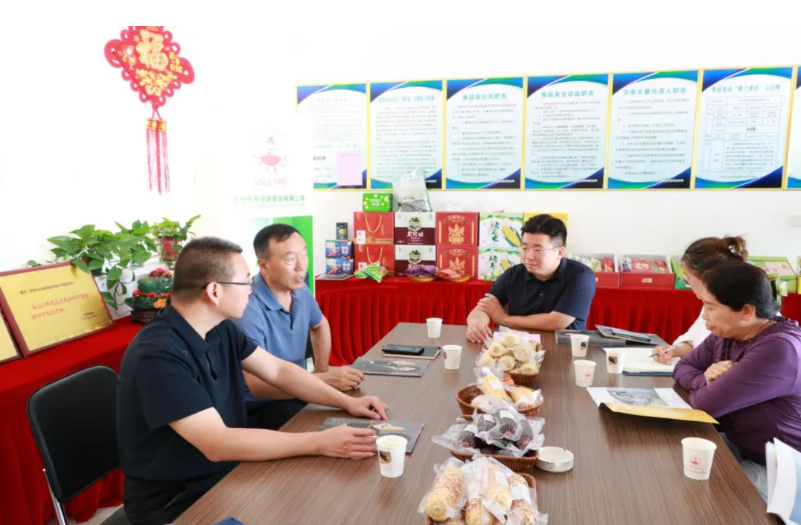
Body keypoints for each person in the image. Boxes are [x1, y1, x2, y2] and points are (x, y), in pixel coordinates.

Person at [117, 237, 388, 525]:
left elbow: (278, 371)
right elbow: (217, 443)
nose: (251, 289)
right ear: (214, 291)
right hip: (177, 501)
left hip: (225, 473)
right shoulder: (157, 355)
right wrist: (320, 442)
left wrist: (346, 402)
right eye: (246, 281)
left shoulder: (220, 328)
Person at [673, 262, 801, 500]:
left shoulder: (779, 349)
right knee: (675, 465)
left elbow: (705, 404)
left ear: (747, 312)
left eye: (711, 307)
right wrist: (706, 379)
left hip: (782, 468)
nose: (704, 315)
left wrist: (710, 387)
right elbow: (683, 367)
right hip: (742, 445)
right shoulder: (728, 333)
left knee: (699, 496)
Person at [236, 224, 364, 430]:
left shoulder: (300, 289)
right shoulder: (247, 308)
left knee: (357, 410)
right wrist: (322, 380)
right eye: (290, 259)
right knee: (328, 428)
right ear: (264, 265)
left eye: (304, 255)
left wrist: (322, 373)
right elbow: (258, 385)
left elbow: (320, 325)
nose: (301, 266)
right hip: (261, 405)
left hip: (298, 390)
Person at [466, 214, 596, 342]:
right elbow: (484, 307)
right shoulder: (513, 274)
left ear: (559, 252)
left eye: (538, 250)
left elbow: (557, 321)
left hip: (564, 347)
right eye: (524, 248)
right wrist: (476, 324)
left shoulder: (581, 276)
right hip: (518, 347)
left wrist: (504, 319)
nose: (529, 256)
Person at [653, 236, 747, 364]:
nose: (705, 315)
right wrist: (671, 350)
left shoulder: (736, 312)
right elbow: (694, 343)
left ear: (707, 277)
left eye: (688, 276)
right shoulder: (709, 304)